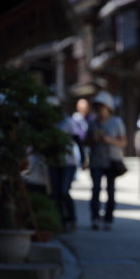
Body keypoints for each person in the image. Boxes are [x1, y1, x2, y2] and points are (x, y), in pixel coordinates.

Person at [86, 91, 127, 231]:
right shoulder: (93, 123)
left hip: (111, 161)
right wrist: (94, 140)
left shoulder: (116, 122)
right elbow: (85, 141)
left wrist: (110, 140)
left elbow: (123, 142)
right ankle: (95, 217)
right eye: (97, 106)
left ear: (108, 107)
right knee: (96, 189)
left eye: (102, 106)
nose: (99, 109)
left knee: (110, 190)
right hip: (96, 160)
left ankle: (108, 219)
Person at [47, 97, 86, 232]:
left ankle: (72, 218)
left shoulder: (67, 122)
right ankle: (61, 221)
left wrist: (84, 160)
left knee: (64, 191)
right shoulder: (47, 122)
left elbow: (78, 141)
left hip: (68, 162)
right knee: (55, 193)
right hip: (53, 161)